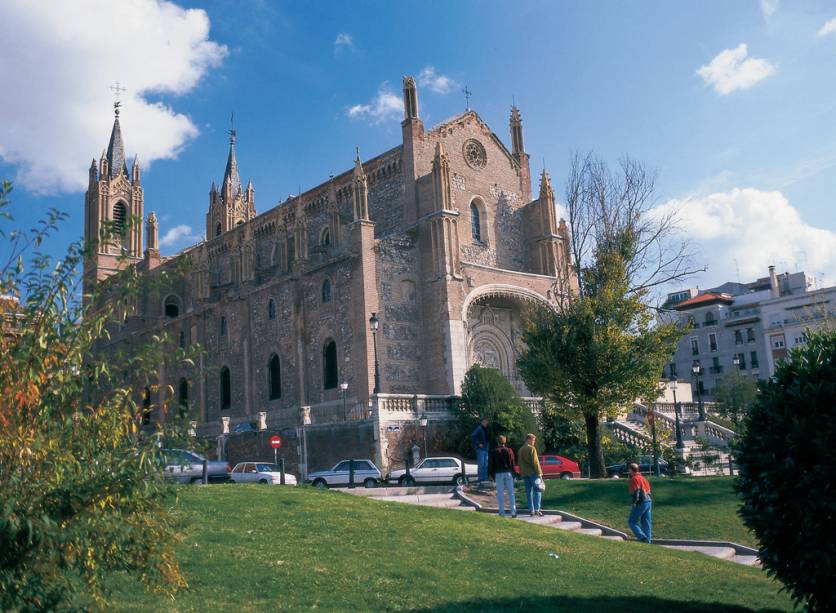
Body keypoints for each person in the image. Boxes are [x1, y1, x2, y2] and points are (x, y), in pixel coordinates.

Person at [488, 435, 517, 518]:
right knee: (511, 493)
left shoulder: (493, 451)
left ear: (498, 442)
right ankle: (513, 512)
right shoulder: (509, 451)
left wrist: (492, 475)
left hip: (498, 473)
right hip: (508, 472)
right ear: (505, 442)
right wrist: (514, 473)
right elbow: (512, 463)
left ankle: (501, 512)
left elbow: (491, 465)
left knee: (500, 493)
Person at [518, 433, 543, 516]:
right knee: (538, 490)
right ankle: (537, 509)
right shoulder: (532, 449)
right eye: (533, 440)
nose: (534, 442)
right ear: (528, 439)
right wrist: (539, 473)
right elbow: (536, 462)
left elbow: (519, 463)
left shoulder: (520, 450)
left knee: (528, 492)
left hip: (525, 473)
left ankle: (531, 510)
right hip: (533, 473)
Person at [627, 463, 652, 543]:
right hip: (649, 501)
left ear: (631, 470)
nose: (628, 471)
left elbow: (636, 491)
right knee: (646, 522)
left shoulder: (634, 479)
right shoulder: (643, 478)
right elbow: (648, 491)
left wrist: (634, 503)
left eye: (629, 469)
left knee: (632, 521)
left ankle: (642, 537)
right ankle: (648, 541)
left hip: (641, 502)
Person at [470, 417, 489, 482]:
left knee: (485, 465)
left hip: (486, 449)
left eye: (486, 422)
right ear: (481, 422)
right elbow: (473, 436)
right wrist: (478, 444)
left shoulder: (485, 429)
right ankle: (480, 479)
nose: (486, 423)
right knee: (481, 465)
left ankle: (485, 479)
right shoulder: (479, 428)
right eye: (484, 422)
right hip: (480, 449)